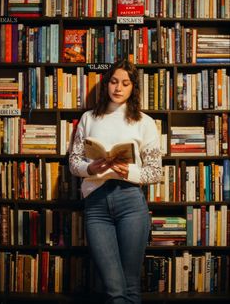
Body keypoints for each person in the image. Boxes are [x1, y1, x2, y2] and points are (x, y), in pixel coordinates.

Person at [69, 59, 162, 304]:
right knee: (113, 288)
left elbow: (155, 172)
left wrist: (127, 171)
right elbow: (73, 162)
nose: (118, 88)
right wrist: (91, 167)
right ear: (106, 84)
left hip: (131, 203)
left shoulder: (145, 122)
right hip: (96, 206)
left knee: (130, 286)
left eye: (125, 83)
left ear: (133, 88)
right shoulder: (89, 118)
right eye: (113, 82)